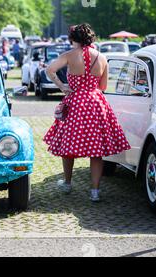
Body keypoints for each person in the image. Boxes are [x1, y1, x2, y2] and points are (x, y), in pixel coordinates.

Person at [43, 23, 130, 202]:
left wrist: (62, 86)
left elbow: (49, 70)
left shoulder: (68, 55)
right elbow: (103, 86)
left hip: (75, 103)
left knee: (68, 145)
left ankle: (67, 183)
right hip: (96, 104)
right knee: (96, 150)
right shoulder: (103, 57)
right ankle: (95, 191)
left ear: (74, 39)